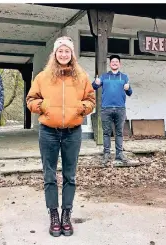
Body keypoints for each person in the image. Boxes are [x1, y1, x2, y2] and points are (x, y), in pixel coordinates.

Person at [26, 36, 95, 237]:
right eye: (60, 51)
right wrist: (43, 107)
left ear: (71, 54)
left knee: (69, 175)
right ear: (54, 54)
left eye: (67, 51)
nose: (63, 54)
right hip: (48, 132)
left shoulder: (81, 76)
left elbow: (91, 99)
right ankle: (53, 214)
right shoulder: (43, 76)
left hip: (73, 132)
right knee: (49, 175)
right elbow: (31, 99)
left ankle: (66, 214)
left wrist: (82, 108)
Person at [92, 54, 133, 165]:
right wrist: (95, 83)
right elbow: (94, 87)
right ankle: (106, 154)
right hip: (106, 108)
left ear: (119, 64)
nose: (114, 63)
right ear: (110, 64)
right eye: (112, 62)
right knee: (106, 133)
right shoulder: (104, 76)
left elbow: (130, 93)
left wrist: (128, 88)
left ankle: (119, 154)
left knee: (119, 133)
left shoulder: (124, 77)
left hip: (120, 109)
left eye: (116, 62)